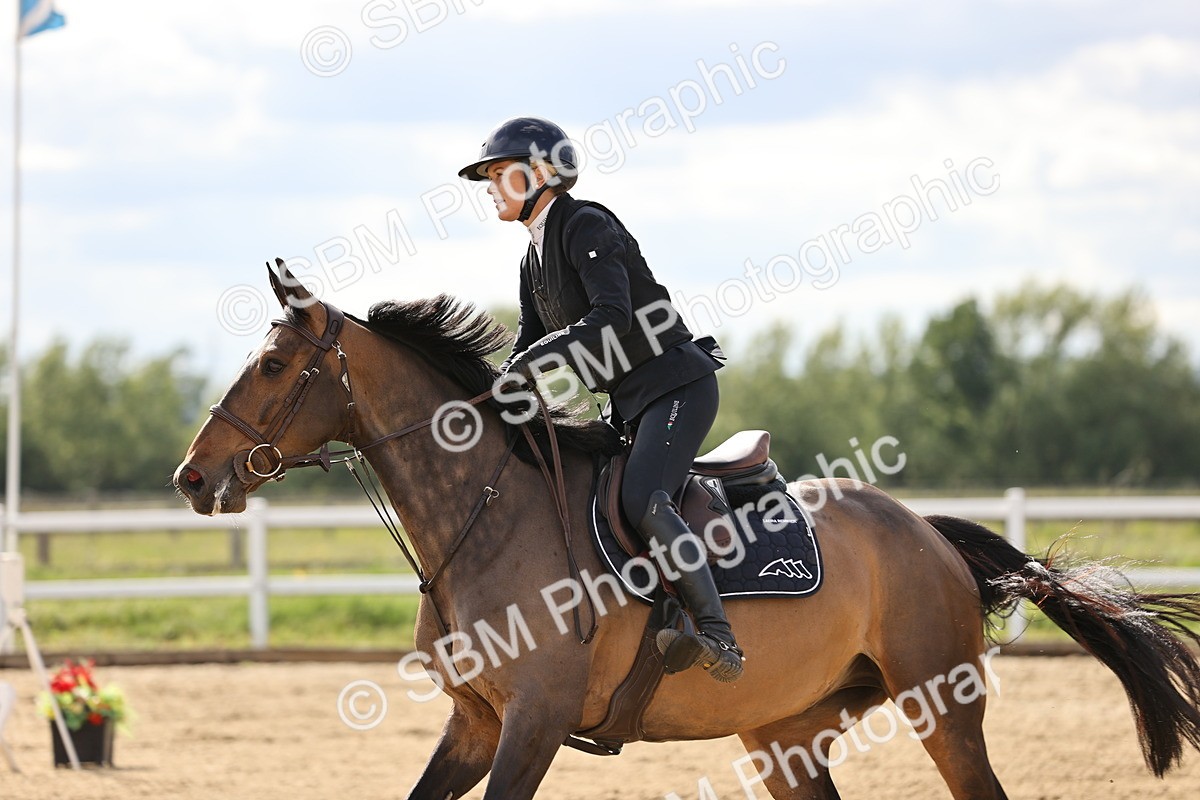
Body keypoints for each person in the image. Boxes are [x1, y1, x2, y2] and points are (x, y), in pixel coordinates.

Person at [458, 116, 744, 682]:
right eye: (487, 176)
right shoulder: (531, 256)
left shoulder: (585, 225)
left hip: (676, 385)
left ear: (541, 173)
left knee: (642, 496)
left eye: (499, 173)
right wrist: (491, 390)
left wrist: (532, 364)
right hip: (630, 401)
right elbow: (529, 339)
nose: (490, 186)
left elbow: (609, 317)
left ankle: (718, 635)